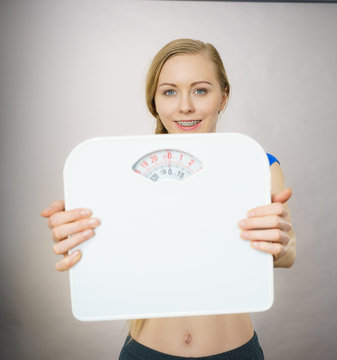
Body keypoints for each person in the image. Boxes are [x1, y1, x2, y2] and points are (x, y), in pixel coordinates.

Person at [40, 38, 296, 360]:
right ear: (155, 102)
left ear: (223, 97)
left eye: (201, 90)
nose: (185, 106)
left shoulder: (257, 165)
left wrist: (281, 243)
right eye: (170, 91)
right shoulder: (116, 174)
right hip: (146, 352)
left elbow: (288, 252)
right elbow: (101, 250)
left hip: (235, 352)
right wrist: (76, 237)